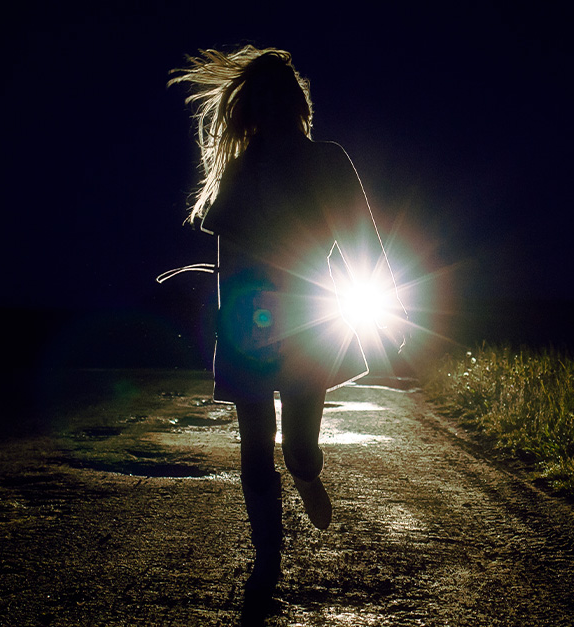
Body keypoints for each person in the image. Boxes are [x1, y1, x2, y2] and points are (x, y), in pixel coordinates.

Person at [168, 46, 405, 594]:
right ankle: (267, 559)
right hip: (246, 323)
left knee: (297, 446)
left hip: (309, 322)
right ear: (251, 108)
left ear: (296, 103)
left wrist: (389, 311)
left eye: (281, 97)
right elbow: (227, 255)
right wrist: (221, 318)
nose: (272, 109)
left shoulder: (328, 160)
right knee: (255, 449)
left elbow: (364, 240)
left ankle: (306, 471)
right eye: (262, 99)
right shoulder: (241, 169)